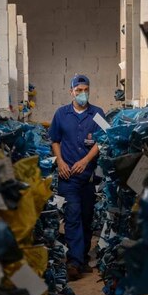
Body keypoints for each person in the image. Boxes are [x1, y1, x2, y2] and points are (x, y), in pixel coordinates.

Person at [49, 75, 105, 281]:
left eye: (86, 89)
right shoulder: (61, 114)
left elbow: (103, 140)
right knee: (72, 216)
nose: (82, 93)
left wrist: (86, 161)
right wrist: (61, 162)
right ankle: (74, 261)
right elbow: (54, 140)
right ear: (71, 91)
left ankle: (81, 257)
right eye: (78, 90)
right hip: (68, 176)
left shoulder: (97, 113)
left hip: (88, 177)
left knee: (86, 217)